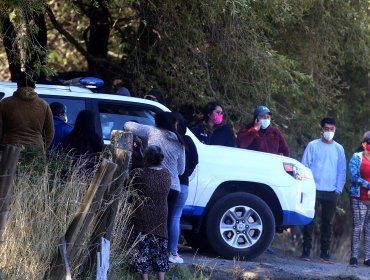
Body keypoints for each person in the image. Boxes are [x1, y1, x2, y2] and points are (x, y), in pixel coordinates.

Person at [124, 112, 186, 252]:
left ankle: (142, 252)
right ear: (172, 123)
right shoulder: (180, 141)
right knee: (167, 222)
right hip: (173, 186)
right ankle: (163, 255)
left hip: (152, 182)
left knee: (146, 219)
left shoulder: (151, 131)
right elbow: (181, 170)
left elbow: (128, 125)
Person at [300, 117, 346, 262]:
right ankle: (306, 251)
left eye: (332, 129)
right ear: (321, 130)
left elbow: (342, 171)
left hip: (331, 191)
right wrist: (307, 186)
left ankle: (325, 253)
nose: (329, 132)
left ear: (335, 130)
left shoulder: (339, 149)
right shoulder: (313, 146)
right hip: (313, 190)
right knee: (309, 220)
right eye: (326, 129)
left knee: (327, 223)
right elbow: (304, 167)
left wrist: (338, 189)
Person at [128, 145, 171, 280]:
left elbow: (128, 185)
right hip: (161, 216)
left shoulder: (139, 174)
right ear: (161, 158)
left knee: (142, 250)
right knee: (160, 249)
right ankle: (161, 278)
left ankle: (144, 278)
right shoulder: (166, 174)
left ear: (146, 158)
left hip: (142, 216)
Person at [169, 112, 198, 263]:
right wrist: (186, 174)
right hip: (184, 184)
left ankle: (162, 250)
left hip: (170, 184)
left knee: (166, 216)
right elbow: (195, 161)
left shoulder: (169, 138)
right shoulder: (188, 141)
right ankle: (173, 252)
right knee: (176, 218)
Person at [0, 72, 54, 150]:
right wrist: (41, 148)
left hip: (10, 149)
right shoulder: (44, 105)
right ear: (34, 85)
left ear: (18, 84)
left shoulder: (5, 103)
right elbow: (50, 133)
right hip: (35, 151)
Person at [348, 132, 370, 267]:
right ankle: (354, 256)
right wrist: (368, 185)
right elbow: (354, 177)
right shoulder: (357, 157)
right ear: (364, 144)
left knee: (369, 228)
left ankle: (367, 258)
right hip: (358, 197)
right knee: (358, 227)